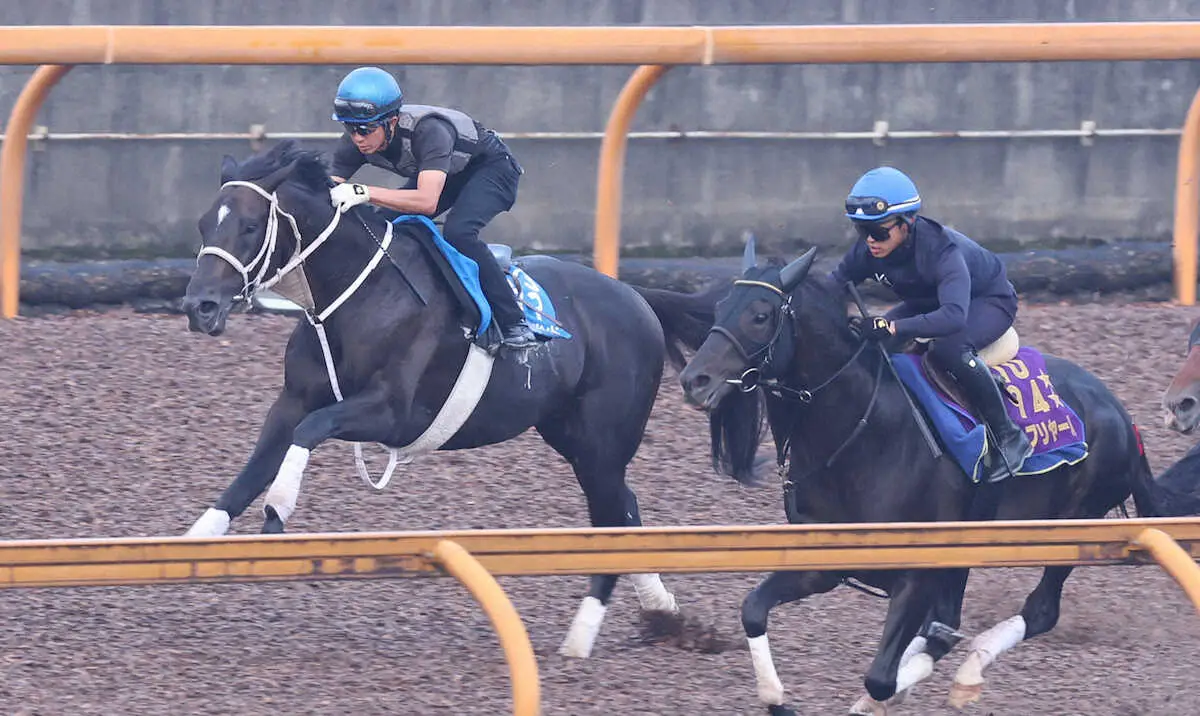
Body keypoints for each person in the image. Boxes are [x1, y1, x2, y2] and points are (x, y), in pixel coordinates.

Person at [830, 166, 1033, 482]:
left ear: (907, 223)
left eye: (880, 232)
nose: (870, 240)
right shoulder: (869, 248)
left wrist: (893, 327)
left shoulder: (942, 252)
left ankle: (1008, 435)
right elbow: (832, 286)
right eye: (861, 230)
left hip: (985, 301)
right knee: (867, 345)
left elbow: (953, 317)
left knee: (948, 350)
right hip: (929, 301)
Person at [326, 66, 536, 349]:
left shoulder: (430, 131)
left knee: (459, 233)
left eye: (365, 129)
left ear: (392, 121)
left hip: (490, 169)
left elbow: (426, 202)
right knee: (380, 226)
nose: (357, 138)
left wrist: (364, 192)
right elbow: (325, 191)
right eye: (349, 128)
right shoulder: (355, 142)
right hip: (443, 173)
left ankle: (514, 322)